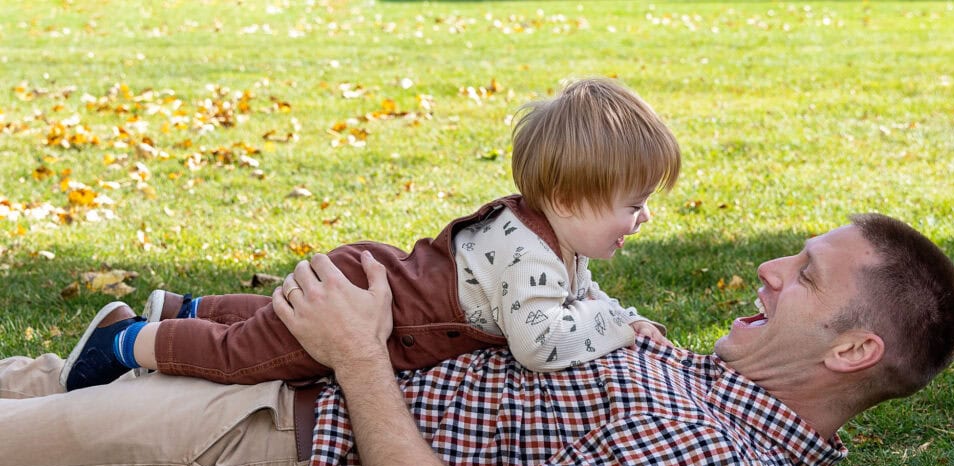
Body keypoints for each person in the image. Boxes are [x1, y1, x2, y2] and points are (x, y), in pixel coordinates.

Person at [0, 214, 954, 466]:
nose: (765, 269)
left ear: (854, 352)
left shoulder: (714, 465)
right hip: (259, 374)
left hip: (250, 447)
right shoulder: (706, 384)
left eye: (801, 276)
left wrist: (359, 356)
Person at [58, 76, 680, 391]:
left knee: (278, 321)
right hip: (372, 312)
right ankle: (127, 342)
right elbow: (540, 345)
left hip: (371, 282)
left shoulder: (555, 240)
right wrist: (618, 330)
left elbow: (581, 304)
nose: (643, 217)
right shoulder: (527, 254)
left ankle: (188, 307)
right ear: (570, 198)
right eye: (633, 203)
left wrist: (622, 315)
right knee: (254, 355)